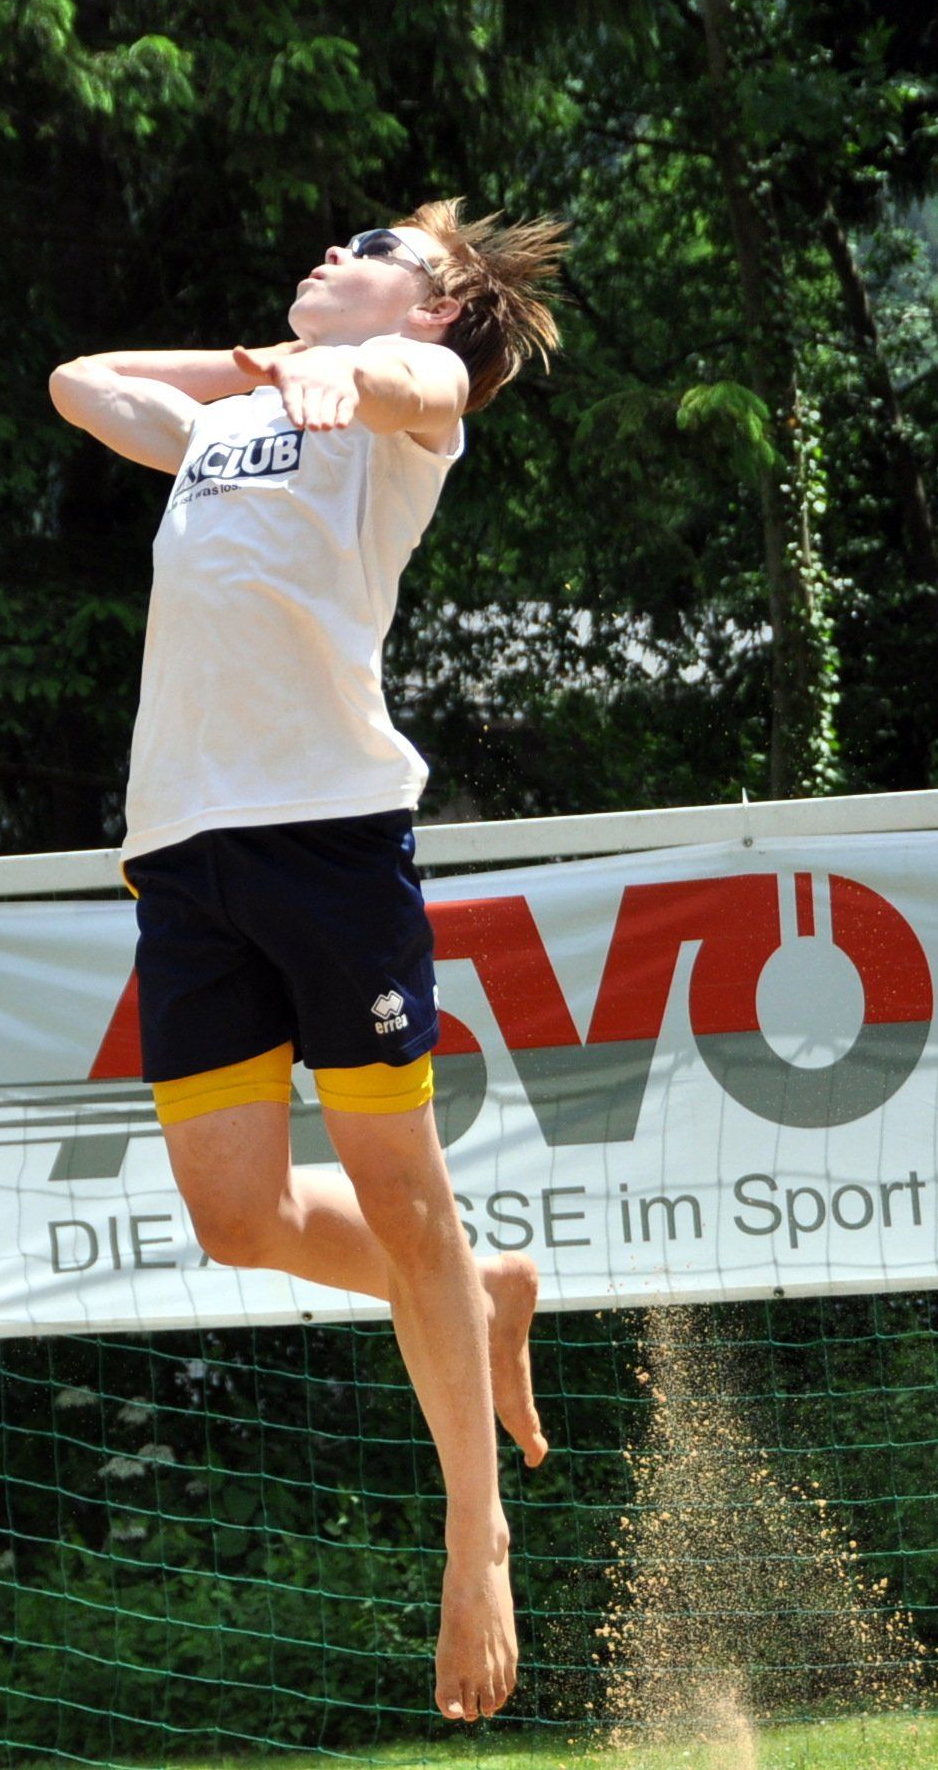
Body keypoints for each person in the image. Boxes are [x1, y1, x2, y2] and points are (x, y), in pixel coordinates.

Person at [46, 199, 570, 1724]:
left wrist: (352, 365)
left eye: (372, 251)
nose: (334, 253)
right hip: (181, 851)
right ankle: (487, 1286)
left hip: (328, 839)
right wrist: (265, 363)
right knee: (237, 1219)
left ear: (430, 305)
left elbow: (427, 384)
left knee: (401, 1195)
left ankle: (477, 1539)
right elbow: (82, 383)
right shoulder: (237, 422)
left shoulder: (411, 403)